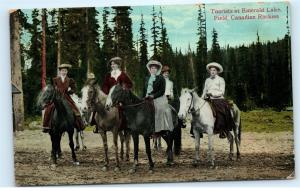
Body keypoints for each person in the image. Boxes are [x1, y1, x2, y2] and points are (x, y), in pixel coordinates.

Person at [92, 57, 133, 133]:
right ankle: (96, 125)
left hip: (120, 95)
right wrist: (106, 94)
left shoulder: (123, 74)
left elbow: (130, 84)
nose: (112, 65)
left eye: (114, 64)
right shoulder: (108, 75)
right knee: (98, 106)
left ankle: (127, 125)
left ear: (118, 65)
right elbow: (105, 85)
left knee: (124, 108)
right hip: (109, 95)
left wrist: (124, 87)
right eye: (111, 64)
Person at [197, 62, 235, 138]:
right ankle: (198, 129)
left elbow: (222, 92)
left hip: (218, 99)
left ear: (217, 71)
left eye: (214, 70)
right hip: (208, 99)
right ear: (209, 71)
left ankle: (222, 130)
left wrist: (213, 94)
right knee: (198, 111)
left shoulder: (221, 80)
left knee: (221, 111)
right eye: (211, 70)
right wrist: (200, 99)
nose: (213, 72)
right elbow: (204, 91)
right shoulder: (207, 80)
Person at [42, 64, 84, 133]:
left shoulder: (70, 80)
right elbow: (51, 87)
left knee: (75, 109)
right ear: (60, 72)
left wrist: (70, 91)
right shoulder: (55, 79)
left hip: (66, 97)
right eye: (62, 71)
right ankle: (46, 126)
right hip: (57, 97)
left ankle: (80, 125)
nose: (64, 72)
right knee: (49, 109)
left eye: (65, 71)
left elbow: (74, 89)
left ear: (67, 72)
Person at [143, 60, 174, 134]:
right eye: (152, 68)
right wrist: (143, 96)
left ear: (157, 69)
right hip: (147, 98)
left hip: (158, 97)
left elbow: (162, 91)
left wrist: (153, 96)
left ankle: (161, 128)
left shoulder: (161, 78)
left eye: (155, 68)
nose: (153, 70)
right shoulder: (147, 78)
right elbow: (143, 89)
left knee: (160, 109)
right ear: (149, 69)